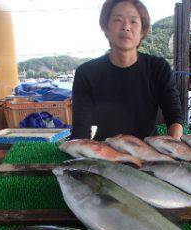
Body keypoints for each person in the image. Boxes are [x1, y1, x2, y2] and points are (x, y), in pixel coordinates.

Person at [71, 0, 184, 141]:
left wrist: (174, 148)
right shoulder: (86, 73)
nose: (126, 27)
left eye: (133, 21)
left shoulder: (158, 68)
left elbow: (174, 115)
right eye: (117, 20)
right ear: (105, 27)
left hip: (150, 150)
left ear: (143, 30)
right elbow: (80, 129)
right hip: (105, 151)